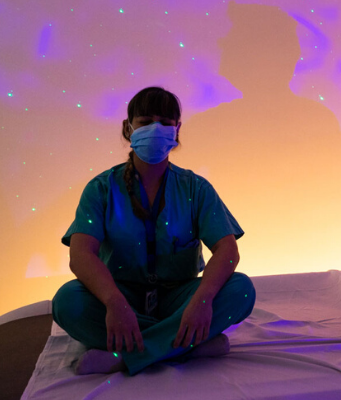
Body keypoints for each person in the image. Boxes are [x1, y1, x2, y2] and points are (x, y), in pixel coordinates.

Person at [51, 87, 255, 375]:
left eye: (165, 122)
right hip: (122, 296)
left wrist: (203, 300)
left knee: (242, 290)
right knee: (67, 302)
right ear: (128, 128)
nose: (155, 129)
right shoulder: (101, 189)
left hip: (178, 298)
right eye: (146, 121)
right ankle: (189, 346)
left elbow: (227, 250)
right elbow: (81, 255)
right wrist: (114, 303)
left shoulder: (195, 189)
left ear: (177, 130)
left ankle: (127, 357)